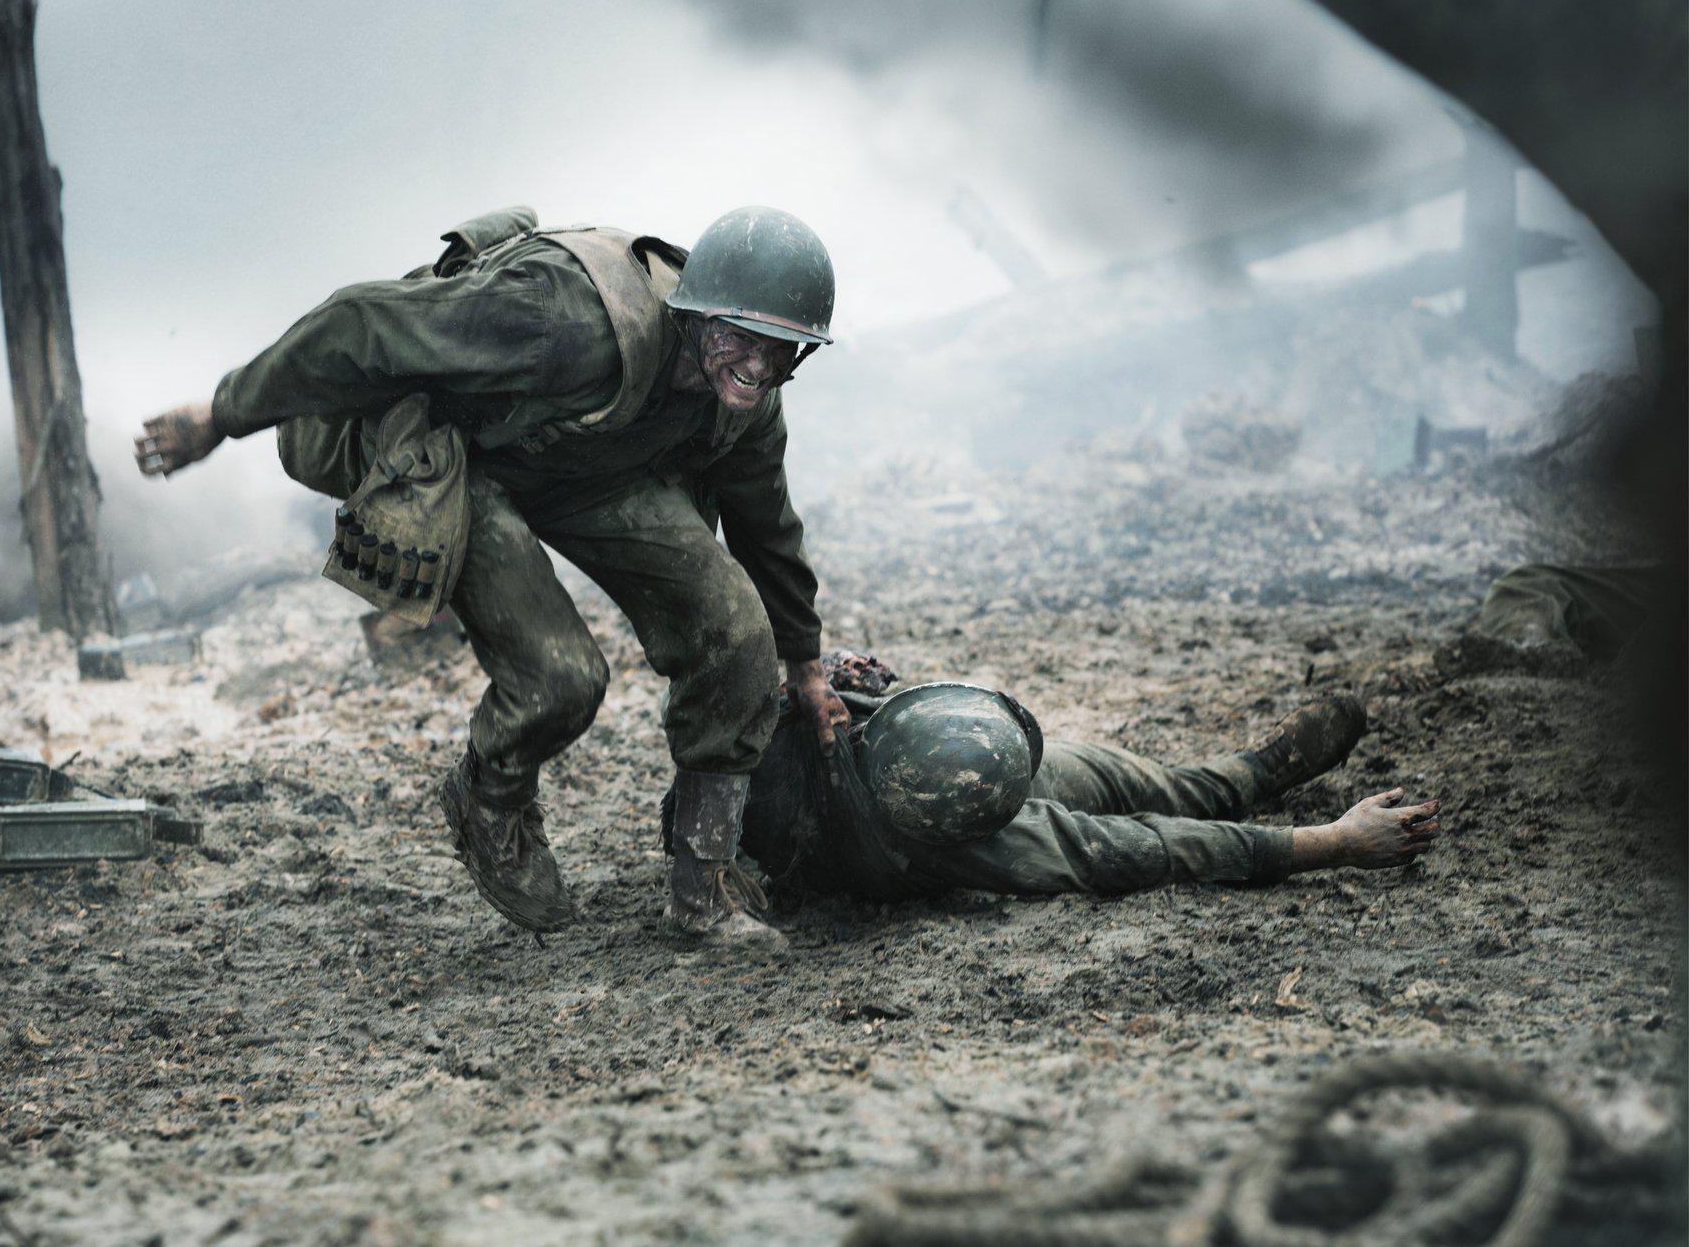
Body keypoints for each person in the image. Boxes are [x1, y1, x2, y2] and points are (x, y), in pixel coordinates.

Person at [135, 206, 849, 952]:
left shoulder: (746, 402)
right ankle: (490, 795)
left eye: (784, 348)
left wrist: (803, 664)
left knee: (736, 633)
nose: (760, 364)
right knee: (561, 676)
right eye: (742, 337)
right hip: (453, 447)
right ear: (698, 315)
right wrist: (220, 413)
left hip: (579, 464)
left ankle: (705, 889)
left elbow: (765, 519)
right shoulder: (558, 319)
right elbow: (361, 324)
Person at [730, 658, 1438, 903]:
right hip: (930, 822)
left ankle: (1248, 772)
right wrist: (1339, 841)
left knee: (1126, 774)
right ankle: (1245, 786)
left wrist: (827, 671)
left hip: (962, 761)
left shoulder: (842, 727)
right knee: (1150, 819)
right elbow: (1160, 848)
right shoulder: (964, 846)